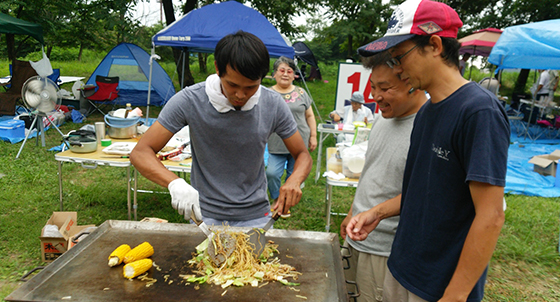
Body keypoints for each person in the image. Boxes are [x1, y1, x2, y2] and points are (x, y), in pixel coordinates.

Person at [351, 0, 510, 301]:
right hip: (403, 267)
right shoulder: (427, 111)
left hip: (439, 284)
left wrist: (456, 293)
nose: (397, 69)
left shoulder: (478, 112)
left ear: (435, 45)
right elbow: (424, 189)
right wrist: (378, 212)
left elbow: (491, 216)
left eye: (399, 57)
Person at [130, 31, 312, 228]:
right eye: (232, 85)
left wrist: (294, 180)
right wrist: (175, 183)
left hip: (256, 214)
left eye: (251, 87)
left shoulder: (273, 103)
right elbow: (141, 152)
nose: (240, 95)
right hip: (204, 215)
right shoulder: (191, 100)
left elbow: (302, 154)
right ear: (217, 68)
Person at [340, 50, 427, 302]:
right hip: (356, 238)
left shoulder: (427, 128)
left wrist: (375, 213)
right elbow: (372, 171)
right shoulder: (381, 118)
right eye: (373, 87)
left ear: (412, 83)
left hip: (385, 249)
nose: (375, 96)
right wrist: (351, 212)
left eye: (385, 88)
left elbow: (423, 192)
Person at [267, 56, 317, 211]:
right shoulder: (266, 94)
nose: (285, 74)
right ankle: (276, 196)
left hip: (300, 142)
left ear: (294, 75)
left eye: (289, 71)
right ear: (274, 74)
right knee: (272, 173)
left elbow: (310, 115)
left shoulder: (301, 93)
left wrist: (313, 136)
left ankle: (287, 199)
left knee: (294, 174)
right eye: (282, 70)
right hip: (276, 142)